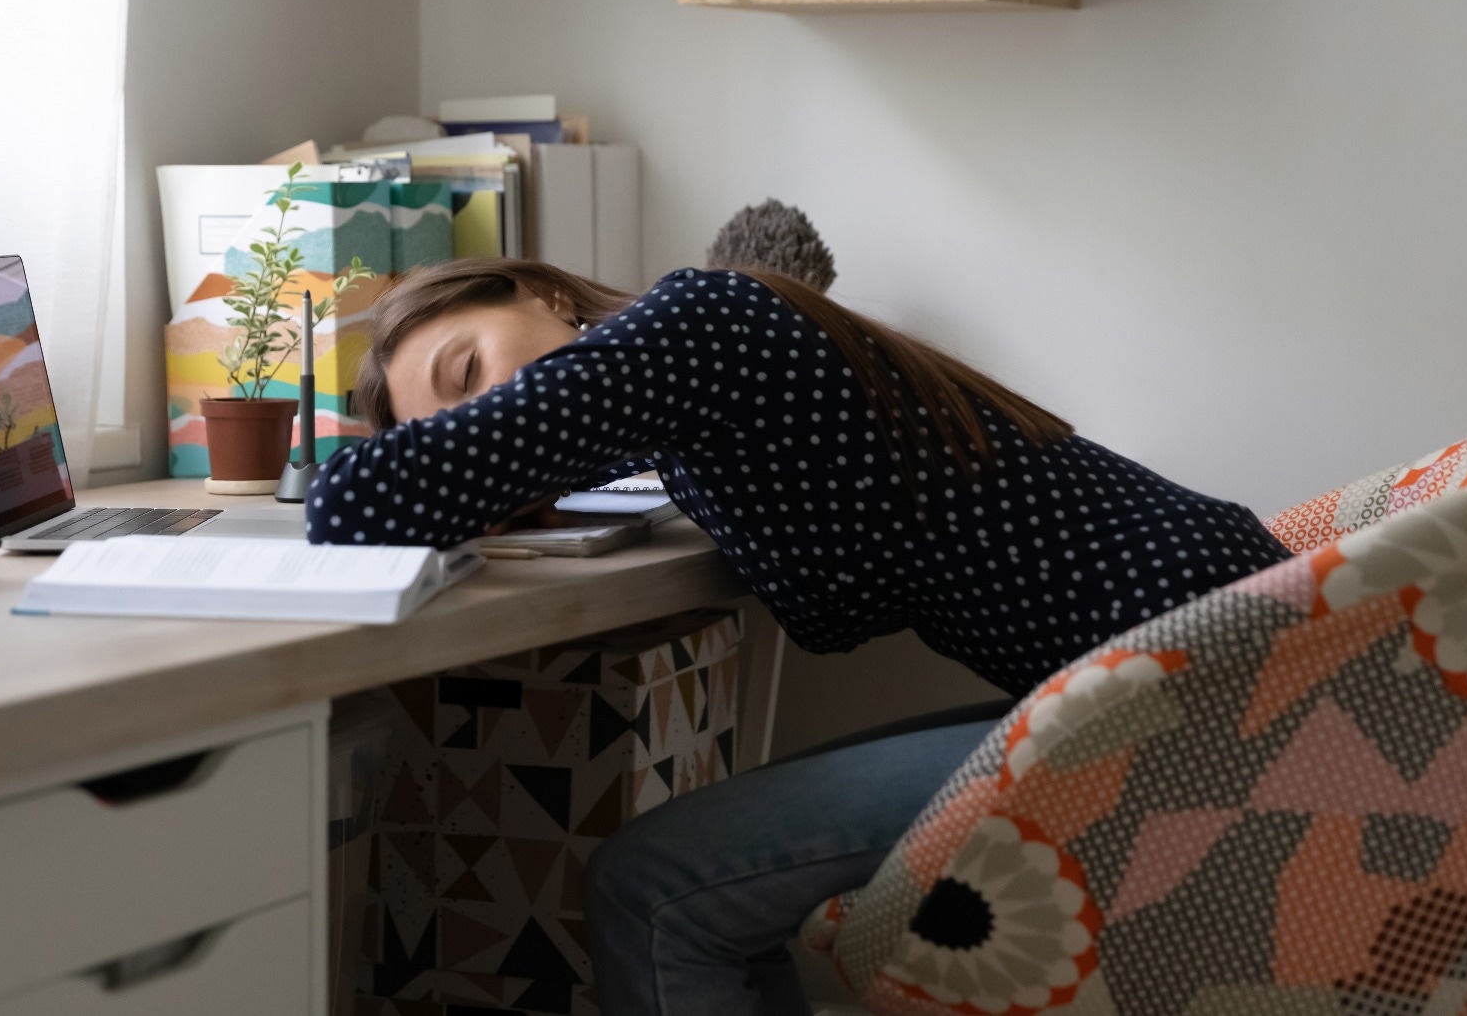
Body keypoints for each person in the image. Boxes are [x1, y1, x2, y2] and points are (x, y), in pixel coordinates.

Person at [307, 258, 1290, 1016]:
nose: (487, 410)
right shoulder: (695, 375)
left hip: (1192, 679)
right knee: (692, 883)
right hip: (1182, 652)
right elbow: (834, 599)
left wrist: (411, 466)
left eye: (467, 369)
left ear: (538, 290)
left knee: (651, 888)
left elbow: (361, 503)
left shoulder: (694, 320)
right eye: (456, 410)